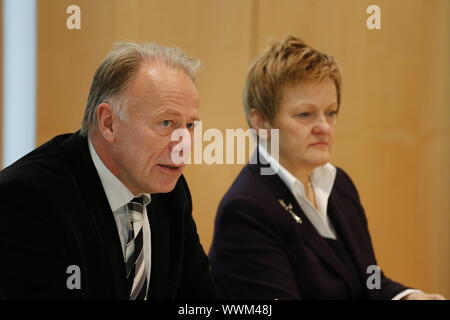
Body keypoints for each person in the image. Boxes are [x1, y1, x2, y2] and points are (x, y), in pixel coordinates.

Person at [209, 35, 445, 300]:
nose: (323, 126)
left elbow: (369, 281)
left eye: (330, 112)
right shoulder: (246, 209)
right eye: (305, 114)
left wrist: (409, 297)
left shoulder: (339, 184)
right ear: (261, 122)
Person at [0, 42, 219, 299]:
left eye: (190, 126)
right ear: (109, 123)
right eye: (166, 123)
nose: (183, 145)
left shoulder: (171, 192)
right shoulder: (28, 199)